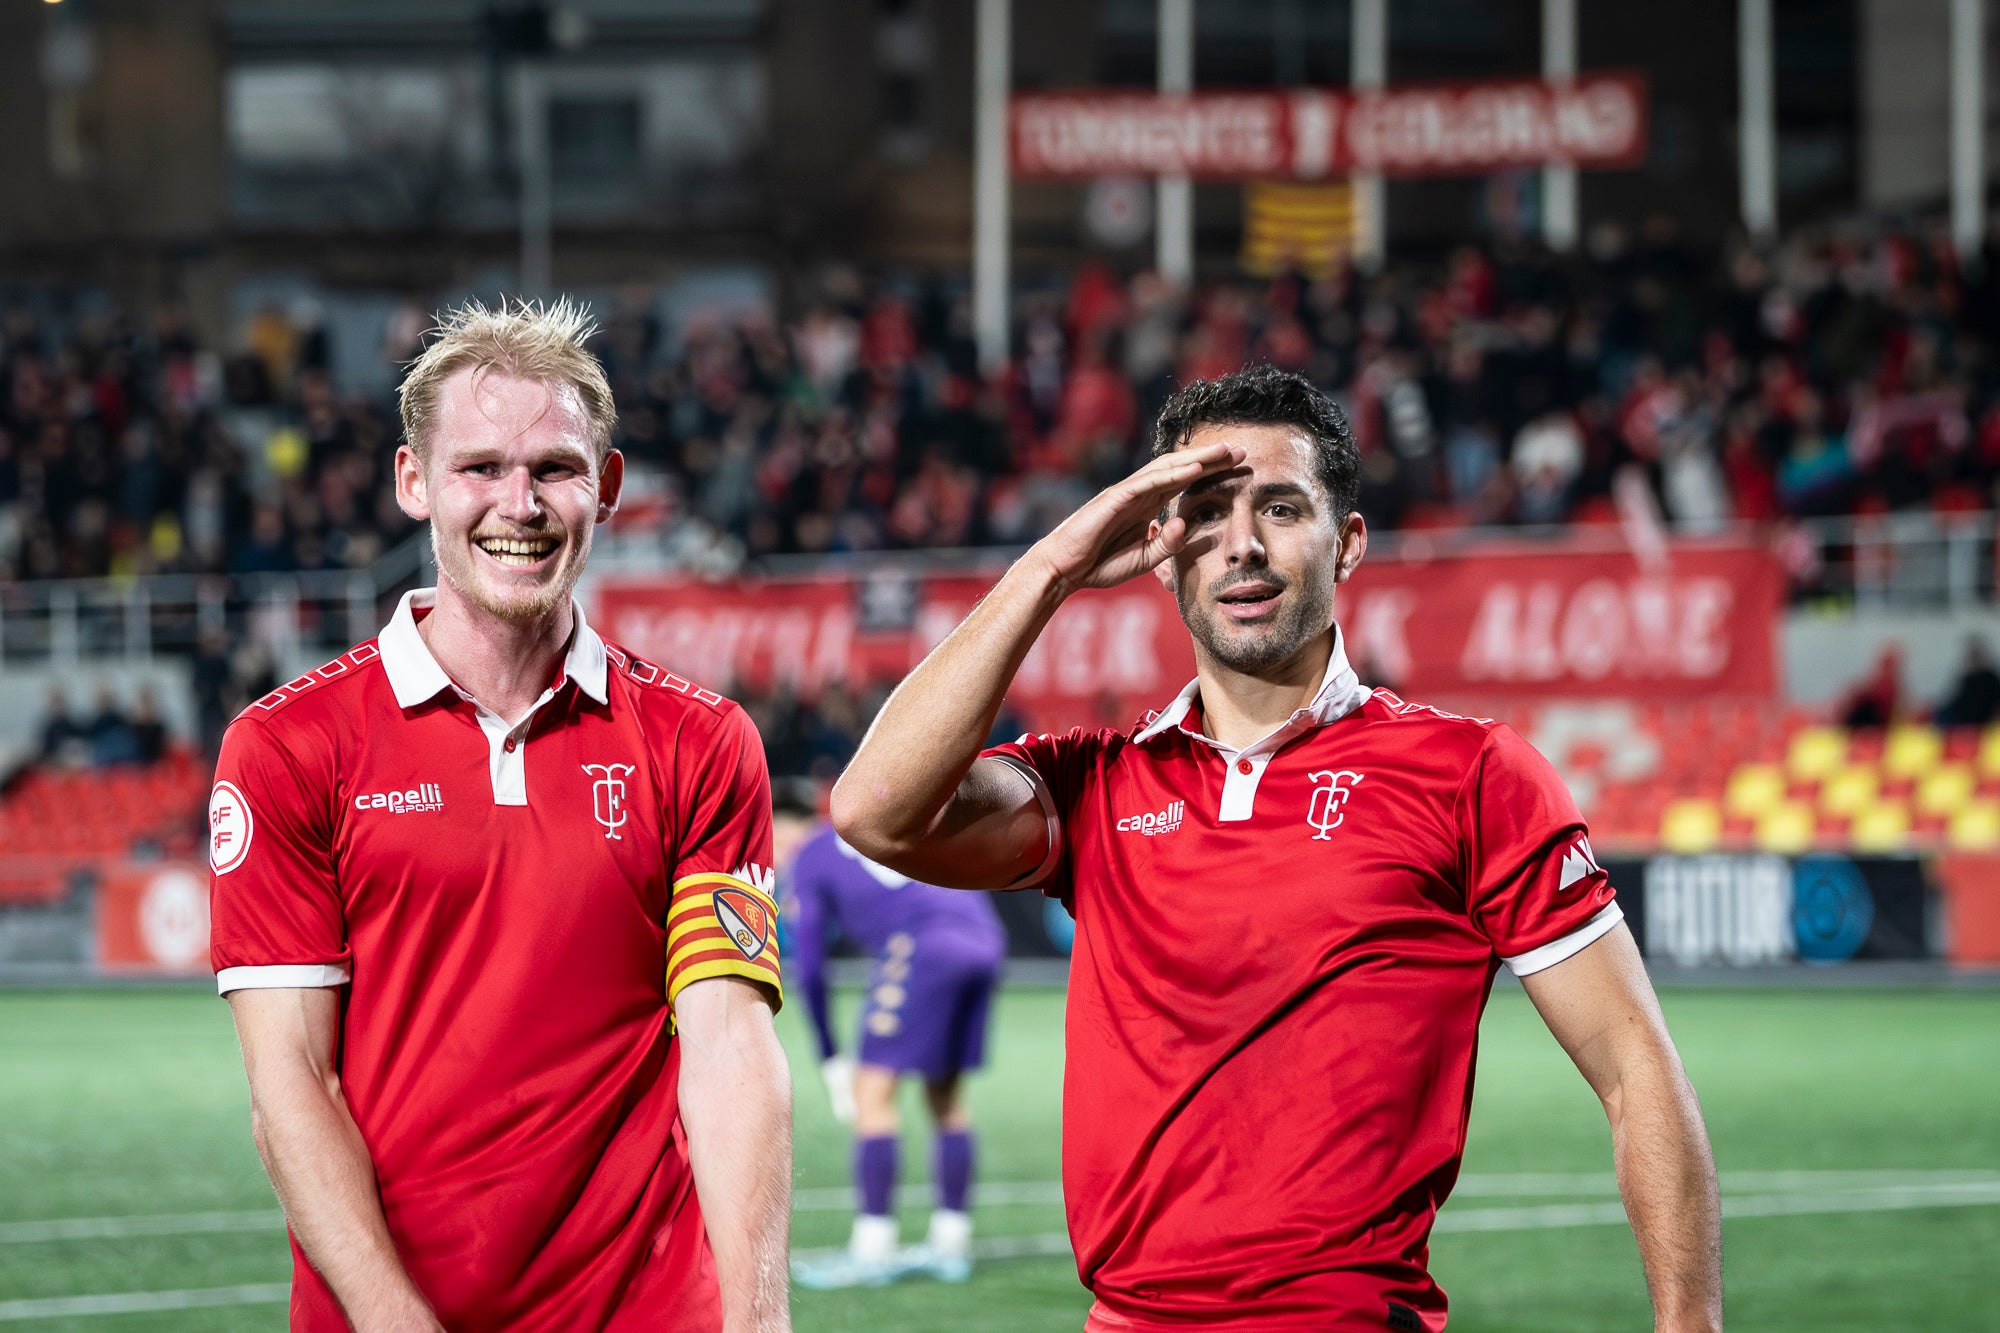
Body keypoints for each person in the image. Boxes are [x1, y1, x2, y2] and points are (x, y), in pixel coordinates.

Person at [832, 365, 1721, 1332]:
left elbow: (1636, 1068)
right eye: (1205, 513)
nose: (1242, 546)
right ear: (1162, 550)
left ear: (1347, 544)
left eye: (1282, 508)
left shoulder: (1469, 774)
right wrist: (1050, 568)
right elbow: (875, 810)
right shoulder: (1100, 783)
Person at [208, 299, 792, 1332]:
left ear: (605, 489)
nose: (517, 504)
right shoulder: (289, 746)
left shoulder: (700, 743)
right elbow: (291, 1086)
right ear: (413, 482)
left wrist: (758, 1321)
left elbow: (731, 1055)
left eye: (555, 469)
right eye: (480, 467)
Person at [779, 796, 1006, 1289]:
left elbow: (811, 965)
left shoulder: (812, 853)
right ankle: (951, 1242)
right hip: (985, 937)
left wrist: (830, 1055)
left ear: (785, 826)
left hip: (924, 944)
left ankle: (872, 1250)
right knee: (945, 1097)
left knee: (872, 1096)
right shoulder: (876, 825)